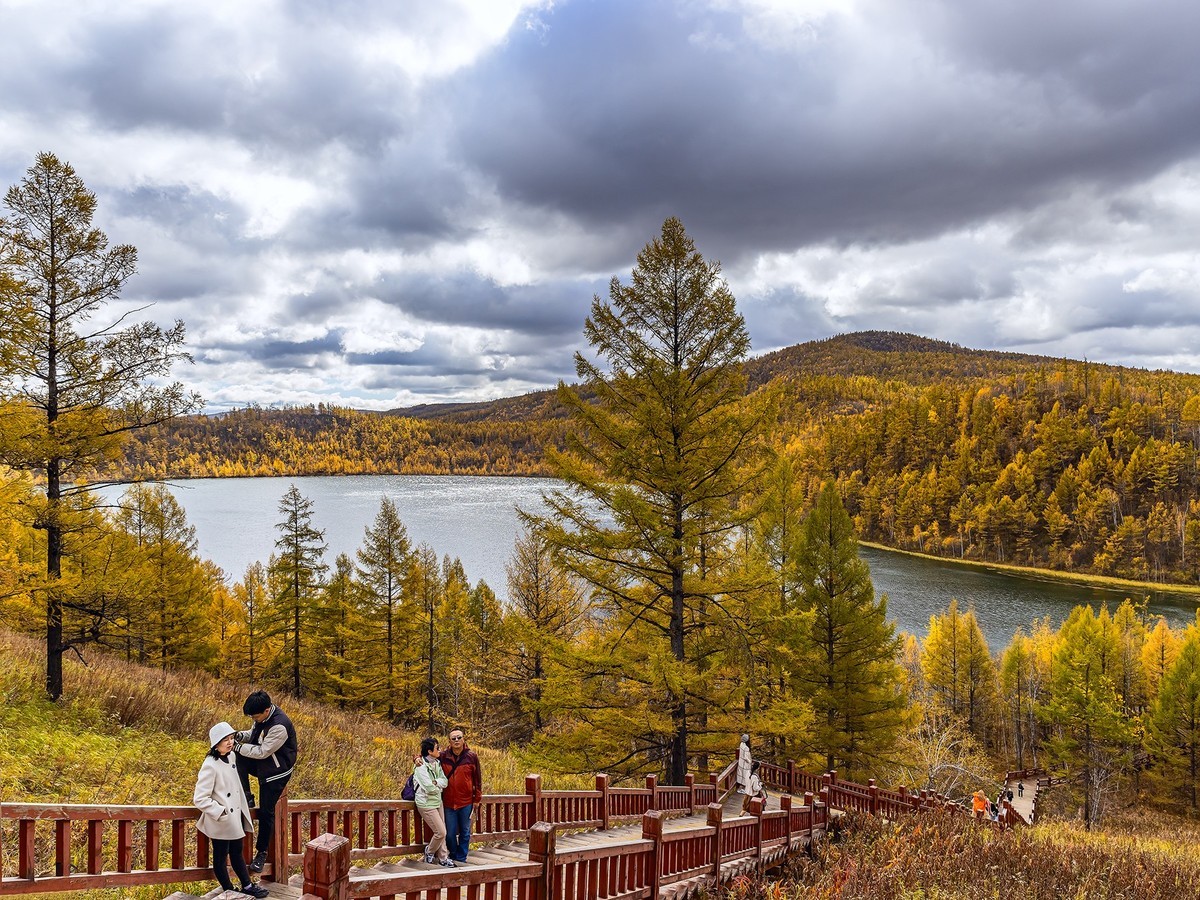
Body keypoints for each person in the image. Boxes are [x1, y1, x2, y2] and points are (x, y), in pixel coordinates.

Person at [193, 722, 270, 899]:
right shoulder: (209, 765)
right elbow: (199, 798)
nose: (230, 742)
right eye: (225, 740)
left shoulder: (232, 757)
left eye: (231, 738)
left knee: (237, 852)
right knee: (220, 857)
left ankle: (247, 886)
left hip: (234, 817)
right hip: (221, 820)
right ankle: (229, 889)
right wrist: (221, 812)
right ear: (215, 743)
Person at [234, 690, 298, 873]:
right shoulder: (261, 718)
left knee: (266, 812)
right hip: (264, 763)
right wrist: (239, 736)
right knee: (239, 758)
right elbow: (254, 734)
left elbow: (263, 751)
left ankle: (261, 853)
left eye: (255, 716)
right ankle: (247, 796)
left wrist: (239, 747)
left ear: (267, 710)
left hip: (277, 771)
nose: (254, 719)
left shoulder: (280, 726)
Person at [440, 727, 482, 863]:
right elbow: (426, 756)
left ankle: (461, 858)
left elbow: (478, 779)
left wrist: (477, 799)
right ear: (449, 741)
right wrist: (417, 758)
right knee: (450, 833)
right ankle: (453, 854)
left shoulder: (472, 756)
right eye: (454, 738)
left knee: (465, 832)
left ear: (464, 739)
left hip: (466, 802)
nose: (457, 740)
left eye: (459, 737)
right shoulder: (443, 756)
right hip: (448, 802)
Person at [414, 737, 455, 867]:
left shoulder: (436, 763)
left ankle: (443, 858)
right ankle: (430, 851)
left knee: (442, 831)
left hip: (437, 801)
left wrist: (436, 782)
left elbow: (445, 781)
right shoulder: (420, 766)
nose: (440, 750)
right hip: (426, 803)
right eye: (437, 748)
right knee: (441, 832)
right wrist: (437, 785)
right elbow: (428, 787)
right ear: (430, 751)